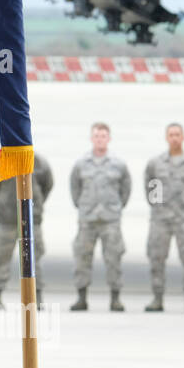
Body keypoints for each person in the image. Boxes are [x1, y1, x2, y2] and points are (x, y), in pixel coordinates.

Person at [144, 123, 184, 313]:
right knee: (156, 258)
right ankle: (157, 298)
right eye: (171, 134)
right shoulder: (156, 163)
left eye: (177, 134)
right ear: (166, 137)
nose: (174, 138)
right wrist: (158, 209)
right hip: (161, 219)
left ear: (183, 137)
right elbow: (150, 188)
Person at [70, 123, 132, 311]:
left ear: (109, 138)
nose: (100, 139)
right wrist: (83, 206)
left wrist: (116, 208)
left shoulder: (118, 164)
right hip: (87, 220)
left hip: (110, 221)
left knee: (114, 259)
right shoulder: (81, 163)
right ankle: (81, 297)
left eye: (103, 136)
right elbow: (75, 189)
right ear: (92, 138)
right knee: (82, 258)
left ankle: (115, 298)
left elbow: (126, 189)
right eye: (97, 136)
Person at [0, 155, 52, 311]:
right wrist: (4, 202)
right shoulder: (1, 162)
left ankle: (37, 297)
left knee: (33, 259)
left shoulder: (40, 162)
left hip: (31, 220)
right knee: (2, 257)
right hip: (7, 220)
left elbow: (47, 186)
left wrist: (36, 204)